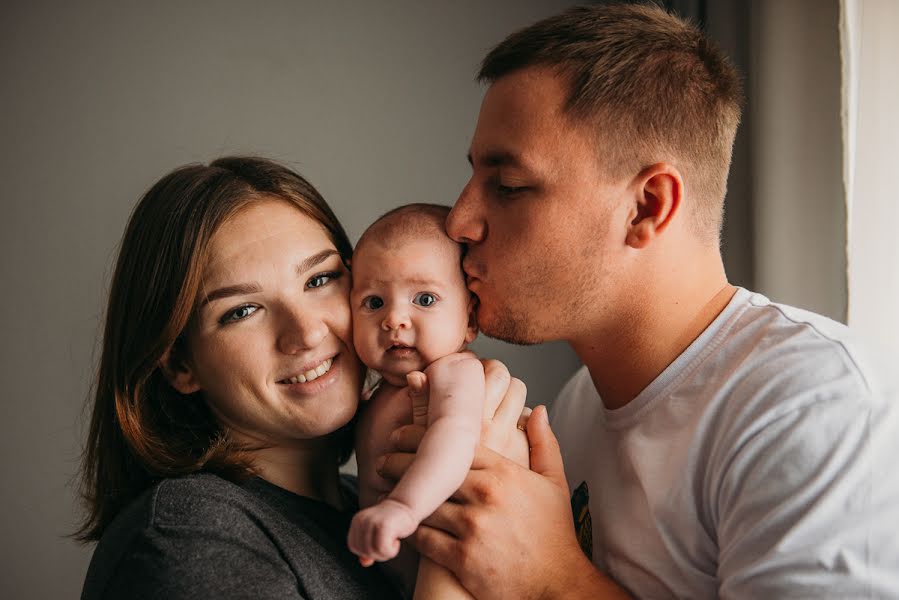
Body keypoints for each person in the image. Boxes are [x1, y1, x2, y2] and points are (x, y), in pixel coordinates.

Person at [378, 4, 899, 599]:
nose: (461, 220)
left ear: (647, 207)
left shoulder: (817, 411)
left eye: (509, 186)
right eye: (473, 177)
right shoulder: (576, 409)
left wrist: (555, 579)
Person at [75, 157, 525, 599]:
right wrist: (449, 568)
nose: (306, 333)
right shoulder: (186, 540)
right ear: (180, 365)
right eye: (242, 311)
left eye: (319, 279)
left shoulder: (361, 499)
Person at [349, 204, 525, 599]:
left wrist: (404, 508)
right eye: (374, 302)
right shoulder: (380, 393)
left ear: (470, 320)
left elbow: (455, 436)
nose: (394, 318)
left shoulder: (454, 373)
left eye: (424, 299)